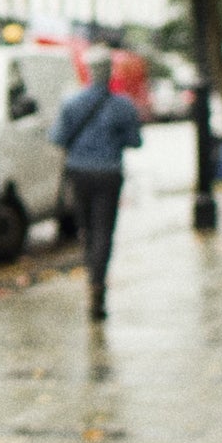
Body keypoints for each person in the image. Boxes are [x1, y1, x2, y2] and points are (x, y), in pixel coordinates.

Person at [50, 46, 142, 321]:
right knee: (104, 229)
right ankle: (97, 282)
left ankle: (92, 276)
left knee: (86, 228)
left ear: (88, 72)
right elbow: (135, 141)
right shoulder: (122, 105)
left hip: (79, 173)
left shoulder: (71, 103)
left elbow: (57, 138)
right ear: (109, 72)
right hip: (109, 174)